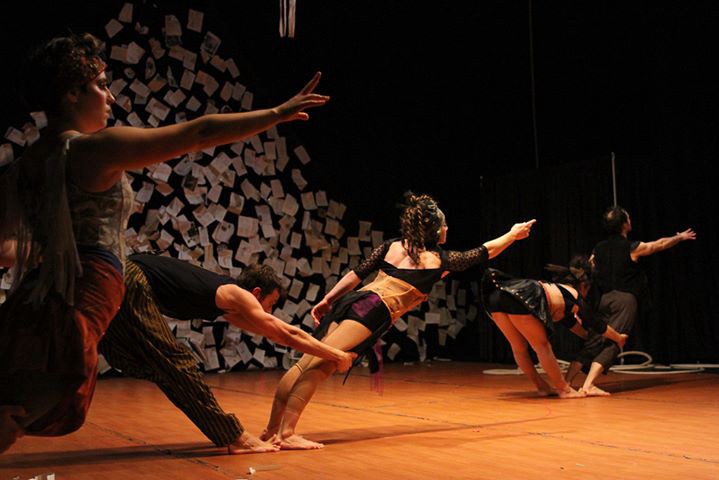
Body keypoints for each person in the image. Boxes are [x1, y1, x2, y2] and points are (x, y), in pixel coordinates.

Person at [0, 32, 329, 453]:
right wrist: (276, 113)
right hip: (91, 286)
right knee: (44, 399)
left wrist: (52, 255)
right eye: (101, 85)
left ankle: (229, 434)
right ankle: (232, 435)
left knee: (22, 396)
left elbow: (6, 244)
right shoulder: (93, 150)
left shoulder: (27, 164)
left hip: (46, 289)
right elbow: (197, 134)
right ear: (70, 93)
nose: (111, 98)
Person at [260, 192, 537, 449]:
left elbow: (357, 274)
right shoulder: (439, 259)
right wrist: (512, 235)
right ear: (436, 230)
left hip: (353, 300)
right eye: (445, 225)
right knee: (322, 364)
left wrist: (328, 299)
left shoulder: (392, 246)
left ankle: (272, 429)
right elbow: (484, 251)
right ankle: (286, 434)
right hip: (373, 309)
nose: (448, 229)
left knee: (305, 361)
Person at [98, 255, 355, 454]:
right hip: (129, 278)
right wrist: (336, 354)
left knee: (133, 360)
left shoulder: (226, 302)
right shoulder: (238, 295)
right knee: (178, 364)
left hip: (114, 275)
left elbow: (271, 332)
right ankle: (236, 437)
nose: (270, 310)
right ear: (256, 294)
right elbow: (286, 334)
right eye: (271, 303)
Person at [565, 206, 696, 396]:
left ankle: (566, 382)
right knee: (616, 341)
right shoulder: (631, 248)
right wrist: (679, 237)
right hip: (624, 300)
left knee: (593, 341)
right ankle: (588, 385)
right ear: (625, 224)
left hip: (604, 299)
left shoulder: (598, 249)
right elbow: (658, 245)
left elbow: (589, 269)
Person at [483, 256, 627, 398]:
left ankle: (542, 387)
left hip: (497, 296)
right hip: (522, 294)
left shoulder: (561, 296)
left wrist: (590, 339)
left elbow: (574, 325)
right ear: (584, 285)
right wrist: (618, 337)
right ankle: (564, 389)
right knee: (542, 346)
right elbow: (597, 324)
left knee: (518, 347)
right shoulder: (575, 295)